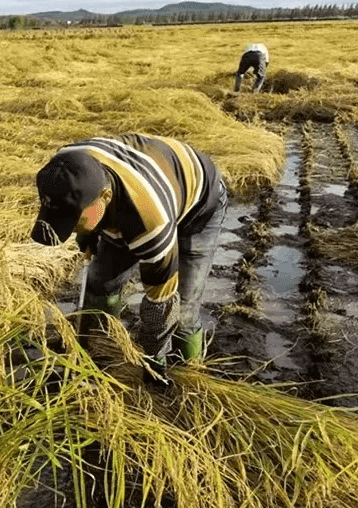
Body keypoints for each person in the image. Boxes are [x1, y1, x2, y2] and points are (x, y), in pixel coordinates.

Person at [30, 133, 228, 382]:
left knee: (184, 310)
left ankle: (189, 373)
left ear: (105, 198)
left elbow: (161, 302)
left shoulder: (149, 221)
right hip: (143, 182)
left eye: (74, 221)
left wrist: (154, 357)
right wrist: (85, 233)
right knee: (100, 281)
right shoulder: (64, 165)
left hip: (199, 204)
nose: (69, 229)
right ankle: (98, 348)